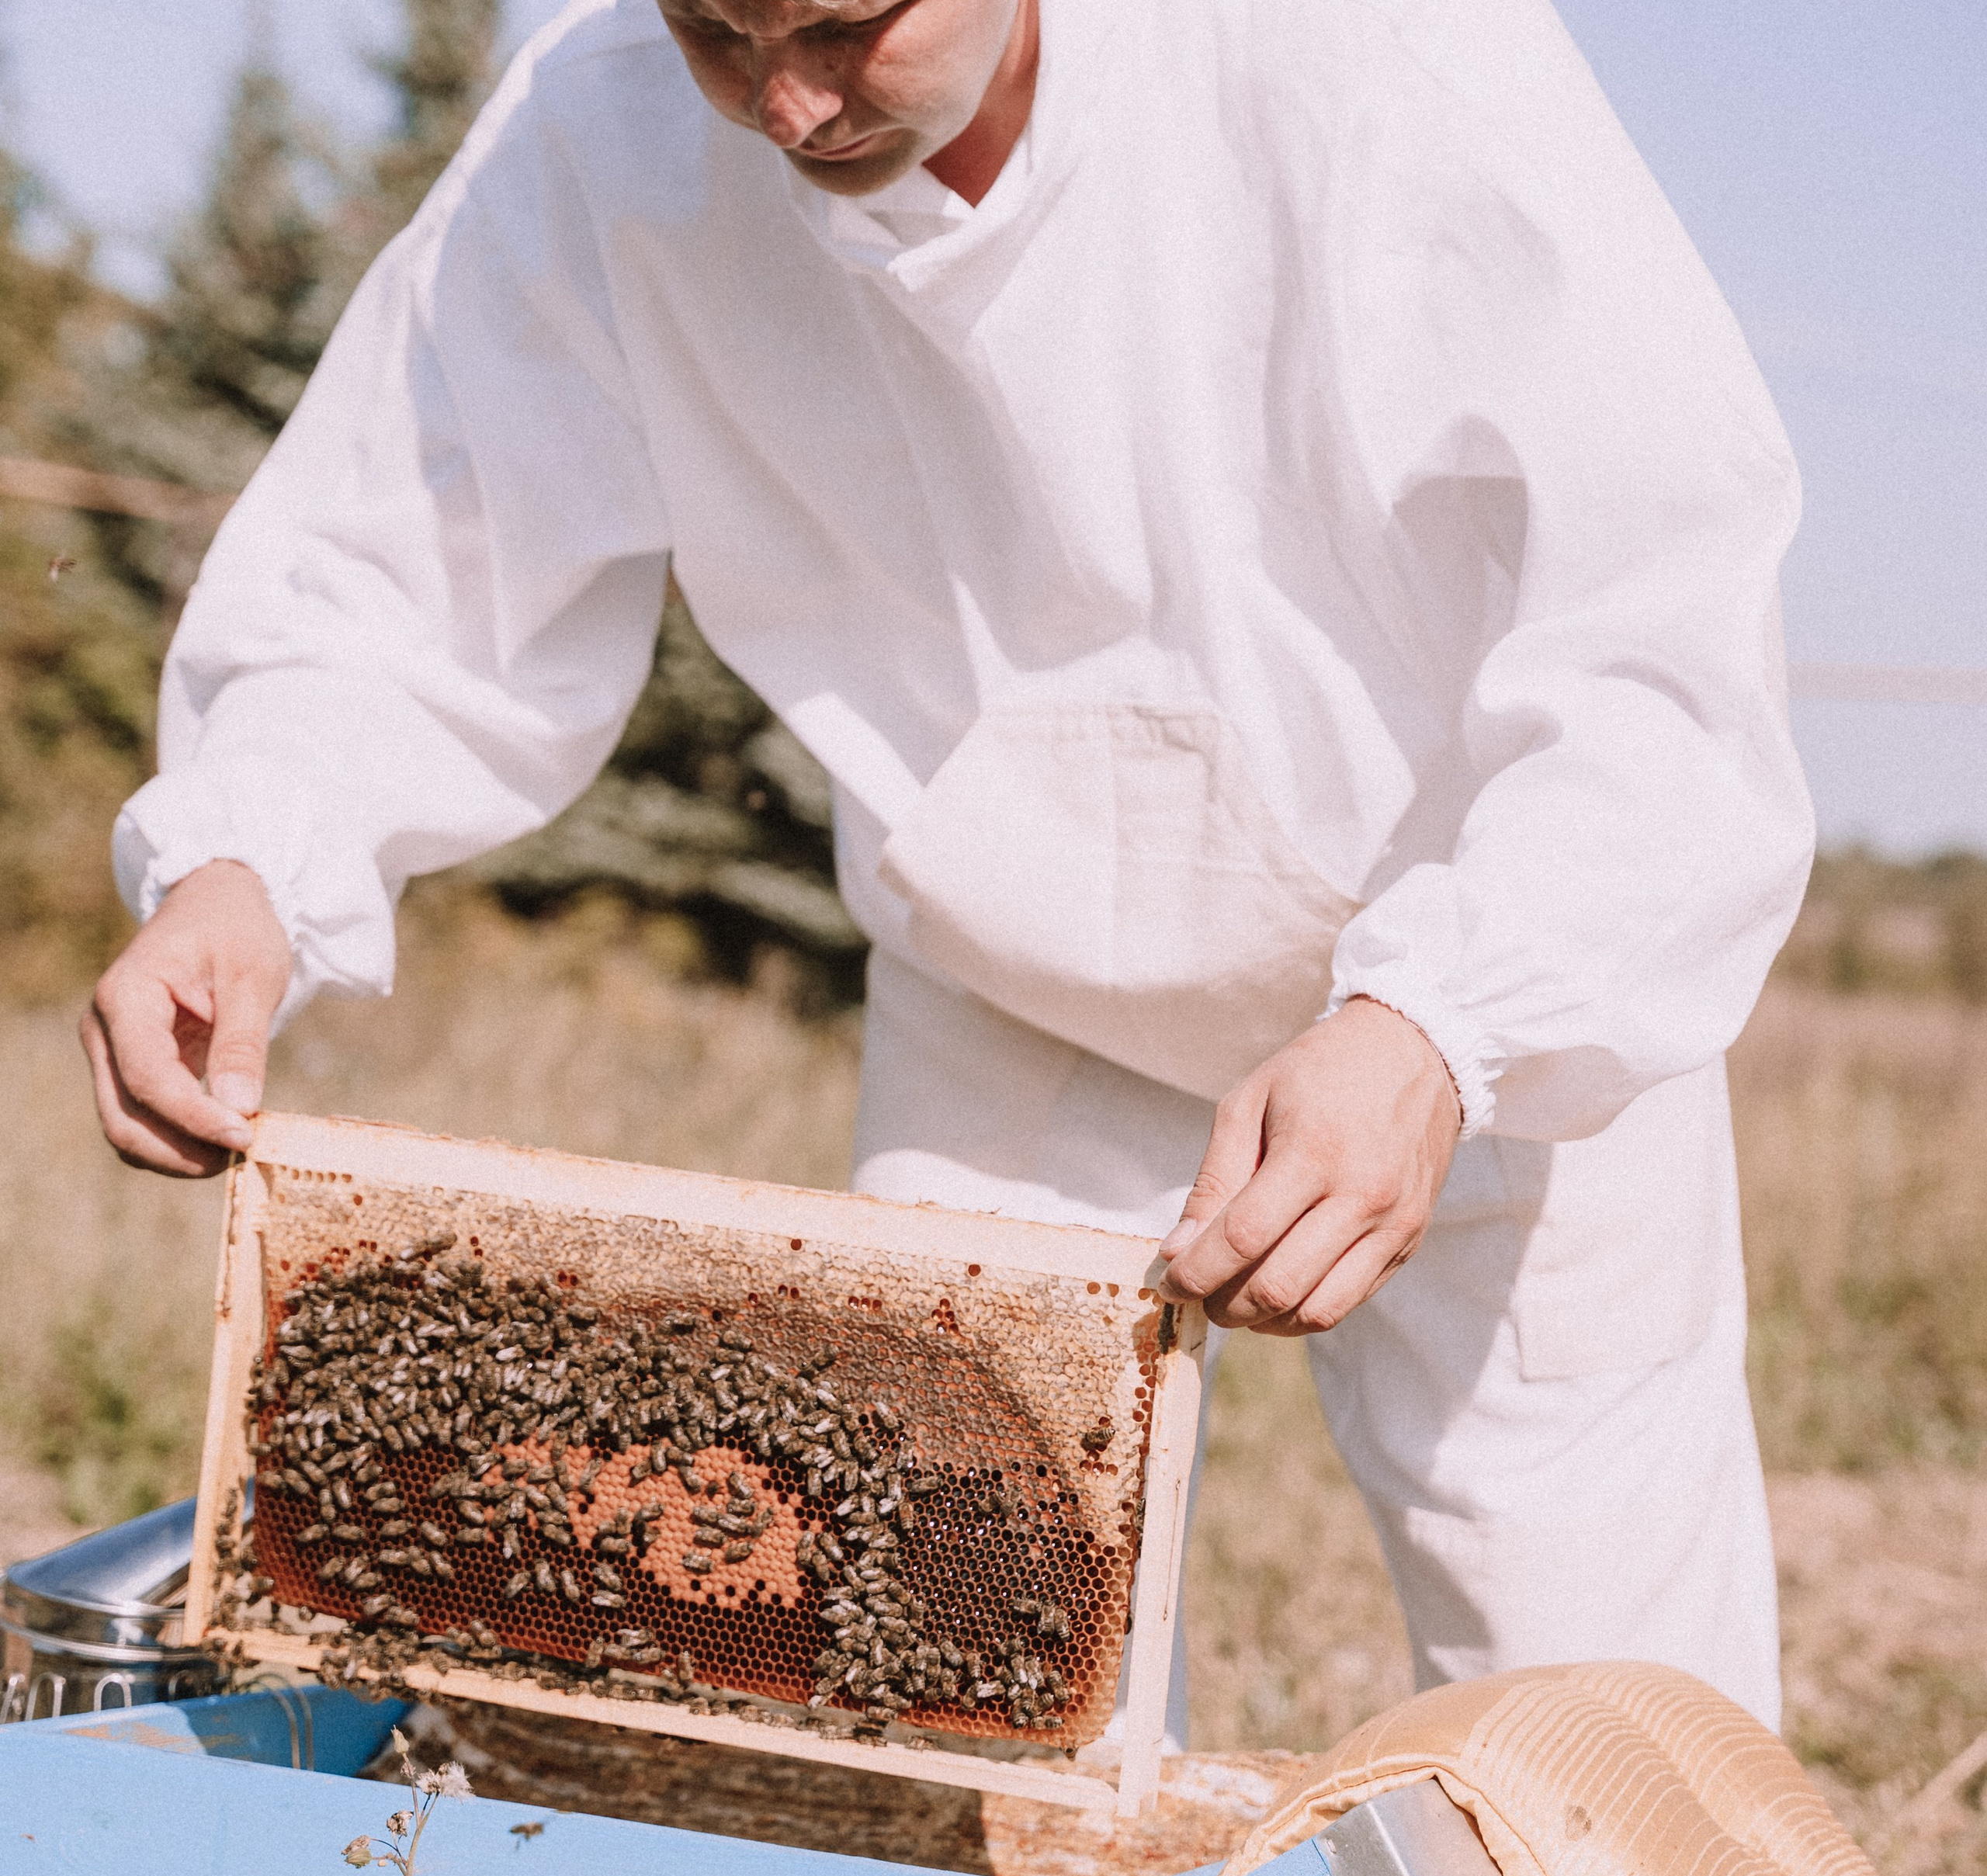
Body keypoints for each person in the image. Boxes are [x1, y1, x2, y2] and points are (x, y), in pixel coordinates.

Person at [81, 0, 1812, 1734]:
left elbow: (1652, 623)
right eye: (714, 29)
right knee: (962, 1705)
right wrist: (247, 851)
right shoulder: (596, 124)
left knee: (1600, 1711)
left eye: (847, 24)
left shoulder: (1365, 53)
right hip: (1013, 979)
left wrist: (1443, 1017)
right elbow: (411, 550)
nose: (783, 101)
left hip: (1481, 964)